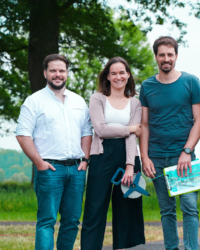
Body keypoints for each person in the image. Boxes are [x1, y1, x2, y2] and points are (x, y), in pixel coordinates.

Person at [15, 54, 92, 250]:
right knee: (47, 221)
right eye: (53, 71)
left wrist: (85, 159)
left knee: (72, 220)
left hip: (76, 170)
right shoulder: (34, 101)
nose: (57, 74)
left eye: (61, 70)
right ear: (45, 73)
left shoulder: (78, 101)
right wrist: (39, 163)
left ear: (67, 73)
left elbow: (86, 132)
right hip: (49, 169)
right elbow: (23, 134)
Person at [139, 36, 200, 250]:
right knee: (166, 210)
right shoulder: (147, 86)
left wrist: (187, 150)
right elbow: (145, 125)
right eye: (162, 55)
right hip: (157, 157)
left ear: (176, 56)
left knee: (189, 207)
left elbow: (199, 121)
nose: (166, 59)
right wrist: (145, 157)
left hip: (183, 158)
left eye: (170, 54)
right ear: (156, 57)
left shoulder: (191, 82)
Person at [81, 57, 145, 250]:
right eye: (114, 73)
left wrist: (129, 166)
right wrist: (129, 128)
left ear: (128, 75)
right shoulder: (97, 98)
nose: (118, 76)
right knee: (94, 208)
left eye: (122, 72)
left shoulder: (135, 103)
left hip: (128, 157)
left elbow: (133, 138)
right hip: (101, 156)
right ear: (107, 76)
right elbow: (100, 129)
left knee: (127, 211)